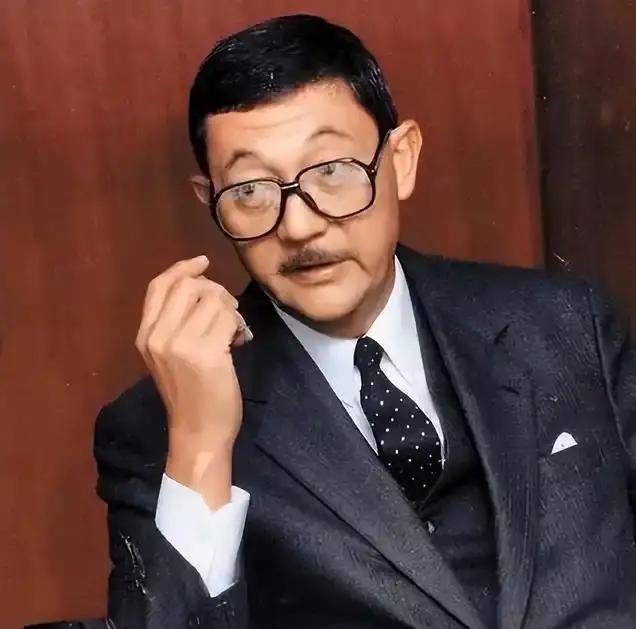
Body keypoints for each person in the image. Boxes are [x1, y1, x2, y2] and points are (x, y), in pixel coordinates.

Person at [93, 14, 636, 629]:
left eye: (331, 172)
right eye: (250, 190)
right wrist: (200, 447)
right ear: (210, 202)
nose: (299, 226)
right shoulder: (156, 429)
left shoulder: (567, 324)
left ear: (401, 159)